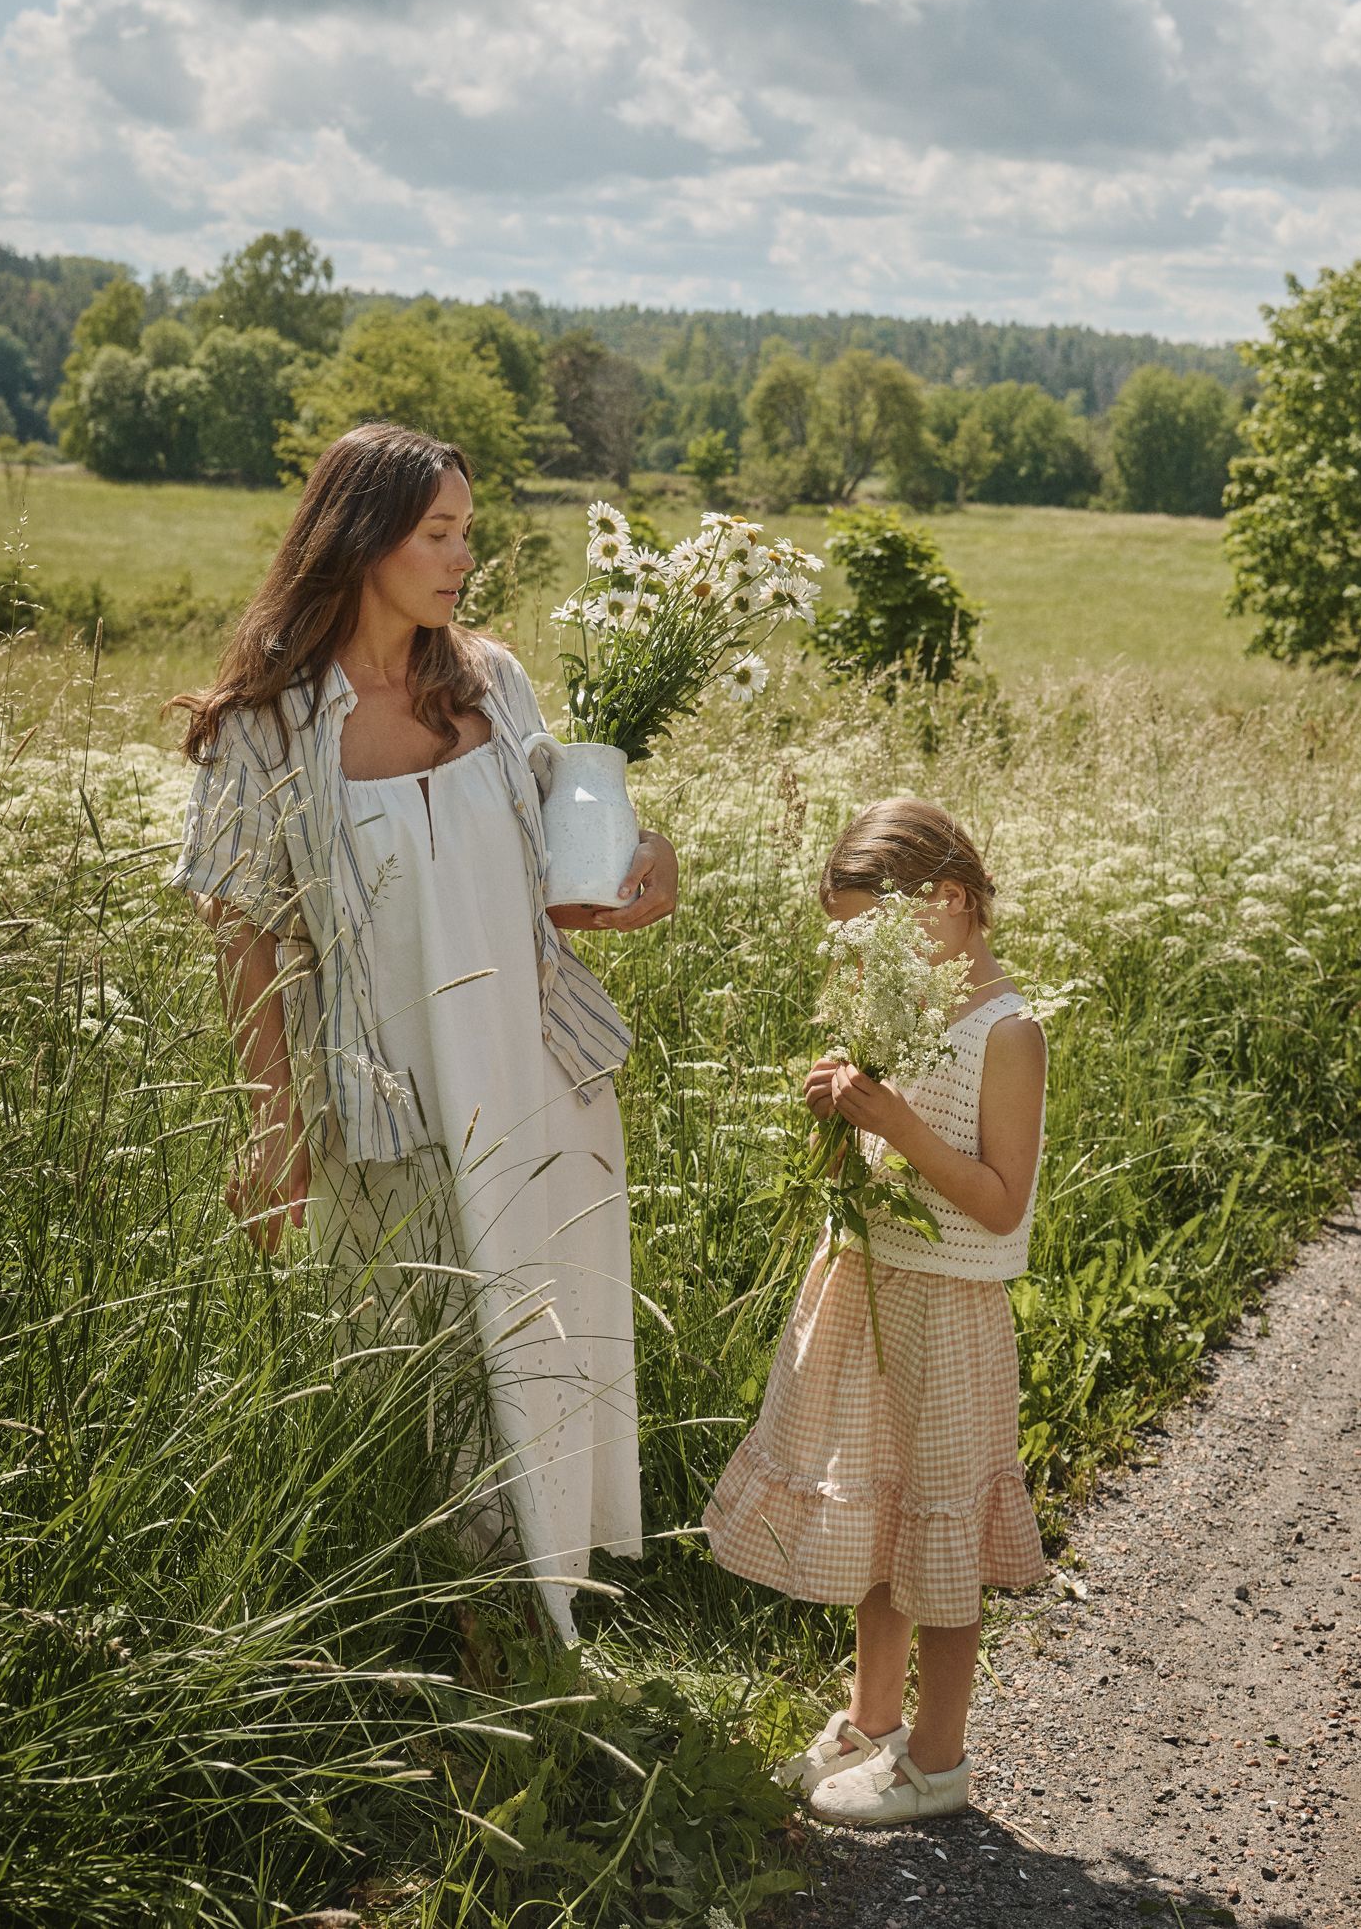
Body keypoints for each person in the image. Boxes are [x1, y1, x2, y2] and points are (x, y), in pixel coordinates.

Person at [167, 421, 678, 1642]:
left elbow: (576, 868)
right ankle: (447, 1628)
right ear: (361, 538)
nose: (463, 555)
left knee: (550, 1322)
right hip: (389, 1094)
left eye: (466, 530)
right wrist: (274, 1125)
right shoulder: (268, 727)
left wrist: (653, 866)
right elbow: (240, 933)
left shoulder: (494, 682)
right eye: (438, 532)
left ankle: (555, 1614)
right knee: (424, 1347)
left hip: (538, 1063)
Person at [703, 797, 1047, 1825]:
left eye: (870, 939)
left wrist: (891, 1114)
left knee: (941, 1529)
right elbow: (869, 1164)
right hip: (871, 1287)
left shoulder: (1008, 1030)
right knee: (883, 1512)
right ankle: (870, 1720)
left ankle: (937, 1760)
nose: (857, 967)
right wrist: (838, 1117)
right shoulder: (898, 1011)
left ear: (946, 901)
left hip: (945, 1313)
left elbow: (997, 1198)